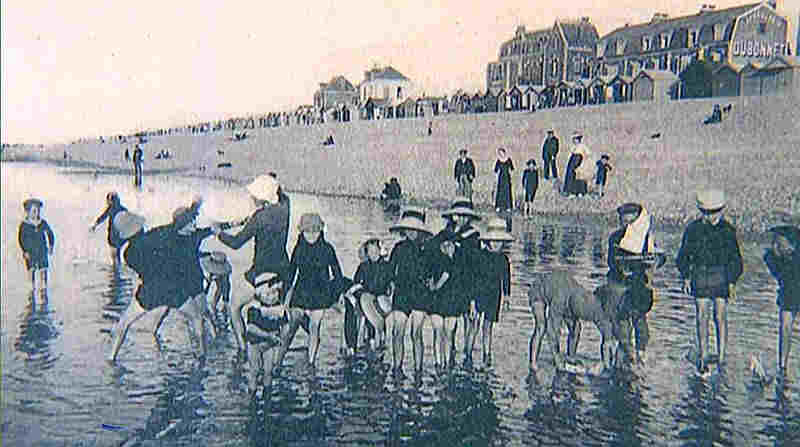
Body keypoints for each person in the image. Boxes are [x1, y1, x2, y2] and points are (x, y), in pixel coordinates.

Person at [108, 202, 218, 362]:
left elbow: (140, 272)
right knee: (196, 318)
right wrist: (209, 228)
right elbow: (177, 229)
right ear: (139, 226)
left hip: (149, 292)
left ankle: (111, 357)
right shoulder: (157, 234)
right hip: (173, 290)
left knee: (124, 323)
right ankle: (201, 355)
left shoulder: (128, 254)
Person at [217, 174, 290, 353]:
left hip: (261, 272)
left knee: (234, 307)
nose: (252, 198)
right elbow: (281, 197)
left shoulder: (260, 217)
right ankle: (277, 350)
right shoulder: (285, 207)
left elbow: (236, 243)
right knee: (276, 313)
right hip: (283, 271)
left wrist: (218, 233)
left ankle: (242, 350)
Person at [676, 189, 743, 374]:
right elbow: (683, 255)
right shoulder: (693, 229)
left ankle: (722, 356)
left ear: (721, 210)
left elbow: (735, 258)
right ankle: (704, 354)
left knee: (720, 316)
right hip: (700, 274)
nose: (710, 217)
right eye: (706, 213)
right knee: (701, 315)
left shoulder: (728, 230)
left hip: (721, 275)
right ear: (701, 211)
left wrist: (732, 281)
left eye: (714, 212)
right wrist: (686, 277)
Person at [595, 203, 665, 368]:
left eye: (631, 223)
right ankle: (625, 355)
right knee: (621, 323)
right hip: (618, 285)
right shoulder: (615, 238)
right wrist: (624, 268)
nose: (627, 226)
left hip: (639, 286)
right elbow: (612, 262)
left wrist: (655, 262)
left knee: (640, 321)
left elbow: (659, 257)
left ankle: (641, 354)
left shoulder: (646, 237)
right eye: (624, 222)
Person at [283, 213, 351, 370]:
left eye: (315, 231)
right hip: (301, 292)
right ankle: (279, 358)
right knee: (292, 324)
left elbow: (337, 273)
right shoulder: (298, 249)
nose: (311, 235)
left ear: (321, 231)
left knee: (314, 327)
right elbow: (291, 273)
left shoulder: (328, 249)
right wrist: (285, 296)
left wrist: (340, 294)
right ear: (302, 232)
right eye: (307, 231)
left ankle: (311, 362)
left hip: (320, 293)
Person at [433, 198, 482, 364]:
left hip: (466, 282)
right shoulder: (444, 233)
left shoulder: (473, 236)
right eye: (458, 215)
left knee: (469, 319)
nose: (461, 218)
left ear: (469, 217)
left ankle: (467, 354)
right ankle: (451, 352)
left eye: (464, 216)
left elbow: (475, 263)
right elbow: (433, 250)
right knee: (450, 321)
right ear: (453, 216)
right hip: (449, 284)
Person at [387, 208, 432, 377]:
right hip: (402, 292)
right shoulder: (398, 248)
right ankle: (397, 368)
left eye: (415, 229)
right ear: (403, 229)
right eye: (408, 228)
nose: (411, 232)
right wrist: (390, 285)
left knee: (416, 333)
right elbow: (390, 271)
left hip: (420, 294)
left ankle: (418, 371)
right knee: (397, 332)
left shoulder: (427, 249)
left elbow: (432, 272)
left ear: (420, 230)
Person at [241, 271, 288, 397]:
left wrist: (282, 336)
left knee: (268, 371)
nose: (272, 297)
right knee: (254, 371)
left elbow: (285, 325)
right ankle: (252, 395)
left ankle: (267, 395)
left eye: (275, 293)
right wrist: (268, 335)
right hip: (255, 344)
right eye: (268, 294)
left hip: (269, 344)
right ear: (259, 294)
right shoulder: (255, 308)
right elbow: (251, 328)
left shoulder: (279, 309)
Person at [763, 225, 800, 384]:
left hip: (793, 286)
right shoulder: (772, 257)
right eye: (774, 243)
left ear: (792, 245)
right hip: (789, 289)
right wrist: (776, 255)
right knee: (785, 326)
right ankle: (782, 367)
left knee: (785, 326)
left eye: (779, 243)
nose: (775, 246)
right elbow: (778, 273)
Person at [474, 217, 512, 366]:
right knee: (474, 324)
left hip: (494, 295)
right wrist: (472, 300)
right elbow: (474, 277)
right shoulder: (480, 255)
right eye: (494, 241)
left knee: (488, 325)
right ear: (488, 240)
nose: (496, 244)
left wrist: (507, 298)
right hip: (479, 293)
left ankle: (487, 354)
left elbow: (506, 279)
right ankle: (469, 352)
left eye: (499, 241)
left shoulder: (503, 259)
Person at [344, 239, 393, 352]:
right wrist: (352, 292)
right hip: (365, 297)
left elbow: (389, 286)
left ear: (379, 251)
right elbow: (357, 282)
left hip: (380, 299)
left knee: (372, 304)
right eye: (370, 251)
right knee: (355, 303)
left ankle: (375, 339)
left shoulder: (386, 266)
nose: (372, 253)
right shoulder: (363, 266)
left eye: (374, 250)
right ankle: (353, 345)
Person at [427, 236, 468, 370]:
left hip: (445, 302)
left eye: (449, 245)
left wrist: (434, 287)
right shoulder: (454, 262)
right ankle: (442, 364)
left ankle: (441, 363)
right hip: (446, 303)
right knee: (444, 334)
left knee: (441, 334)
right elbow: (443, 278)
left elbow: (433, 280)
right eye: (444, 245)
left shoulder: (442, 260)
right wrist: (435, 286)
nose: (447, 247)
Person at [18, 198, 55, 295]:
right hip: (30, 252)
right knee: (31, 270)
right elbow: (21, 239)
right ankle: (31, 289)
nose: (36, 213)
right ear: (27, 212)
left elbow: (50, 234)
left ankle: (44, 289)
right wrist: (25, 251)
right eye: (33, 211)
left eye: (37, 211)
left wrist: (51, 246)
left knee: (43, 269)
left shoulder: (42, 223)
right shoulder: (24, 225)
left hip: (42, 250)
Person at [200, 251, 233, 332]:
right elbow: (205, 286)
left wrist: (225, 302)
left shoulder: (224, 277)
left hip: (219, 296)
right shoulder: (205, 268)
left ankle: (216, 307)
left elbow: (225, 288)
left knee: (223, 287)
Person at [90, 192, 128, 261]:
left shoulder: (111, 209)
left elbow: (103, 217)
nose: (107, 202)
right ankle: (117, 264)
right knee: (116, 252)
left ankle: (116, 264)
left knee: (115, 252)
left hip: (114, 234)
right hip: (118, 234)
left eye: (108, 201)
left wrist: (95, 224)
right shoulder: (122, 209)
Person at [494, 148, 514, 212]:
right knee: (500, 192)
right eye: (499, 153)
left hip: (507, 178)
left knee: (507, 192)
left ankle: (508, 207)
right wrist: (496, 179)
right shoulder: (498, 161)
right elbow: (496, 170)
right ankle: (499, 206)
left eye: (501, 153)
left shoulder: (508, 160)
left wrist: (511, 177)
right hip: (501, 178)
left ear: (504, 153)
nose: (500, 154)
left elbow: (512, 169)